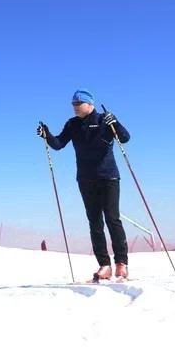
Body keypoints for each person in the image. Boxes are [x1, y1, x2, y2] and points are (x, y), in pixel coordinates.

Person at [38, 89, 130, 282]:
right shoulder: (73, 124)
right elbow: (59, 144)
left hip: (109, 177)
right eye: (73, 104)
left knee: (112, 218)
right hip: (85, 179)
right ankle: (104, 266)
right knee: (95, 222)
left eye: (79, 103)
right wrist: (47, 135)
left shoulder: (104, 119)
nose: (75, 107)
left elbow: (124, 138)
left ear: (90, 104)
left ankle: (121, 263)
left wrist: (115, 122)